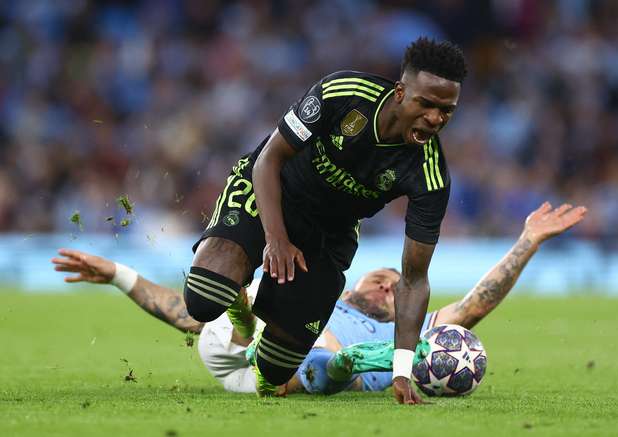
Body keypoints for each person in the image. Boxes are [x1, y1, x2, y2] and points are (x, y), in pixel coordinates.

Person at [182, 37, 467, 403]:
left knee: (276, 367)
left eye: (447, 110)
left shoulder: (430, 175)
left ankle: (265, 356)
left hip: (329, 234)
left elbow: (413, 279)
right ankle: (240, 309)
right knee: (204, 299)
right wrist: (276, 239)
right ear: (400, 92)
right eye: (426, 104)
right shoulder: (344, 93)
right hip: (273, 189)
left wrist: (401, 371)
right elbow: (269, 159)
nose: (435, 118)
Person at [52, 202, 587, 395]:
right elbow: (182, 313)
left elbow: (473, 306)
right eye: (380, 279)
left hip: (277, 369)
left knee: (301, 338)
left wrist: (528, 241)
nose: (387, 286)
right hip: (250, 350)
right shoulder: (328, 296)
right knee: (229, 313)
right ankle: (247, 316)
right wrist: (119, 273)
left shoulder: (410, 331)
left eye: (395, 288)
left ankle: (266, 330)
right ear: (356, 285)